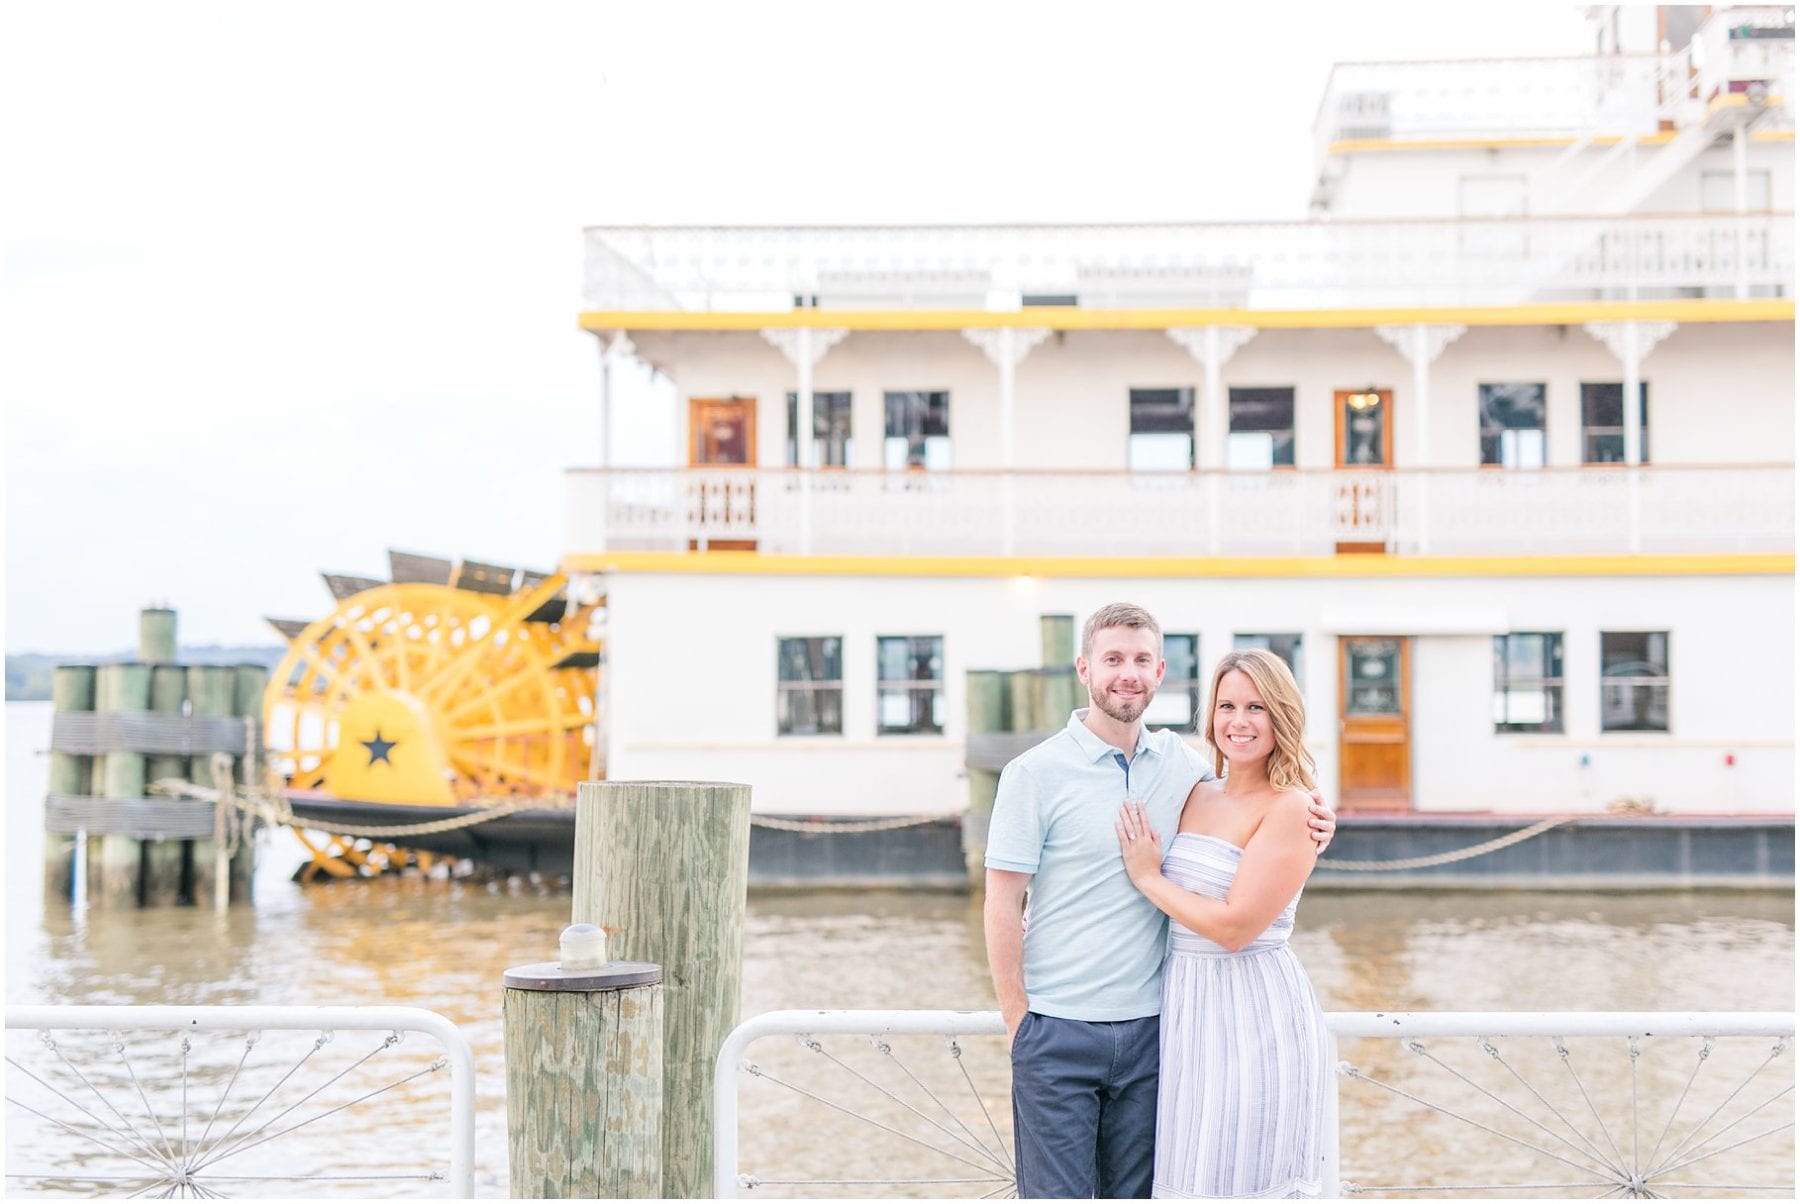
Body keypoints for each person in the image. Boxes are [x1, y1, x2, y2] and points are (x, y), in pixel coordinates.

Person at [984, 604, 1335, 1199]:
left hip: (1159, 1032)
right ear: (1084, 669)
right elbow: (1000, 903)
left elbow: (1266, 804)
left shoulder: (1183, 769)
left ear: (1161, 671)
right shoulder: (1032, 773)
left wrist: (1322, 818)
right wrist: (1020, 1024)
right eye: (1113, 659)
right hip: (1059, 1030)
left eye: (1141, 660)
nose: (1128, 674)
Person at [1116, 647, 1332, 1198]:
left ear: (1281, 717)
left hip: (1256, 1013)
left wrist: (1149, 878)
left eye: (1257, 708)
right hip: (1190, 1011)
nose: (1239, 722)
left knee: (1241, 1175)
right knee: (1190, 1174)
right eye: (1227, 705)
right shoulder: (1196, 791)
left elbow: (1237, 929)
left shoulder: (1291, 807)